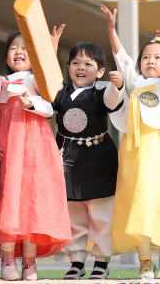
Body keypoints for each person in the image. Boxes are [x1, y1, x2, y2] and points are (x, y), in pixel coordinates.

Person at [0, 27, 71, 281]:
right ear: (6, 56)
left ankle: (29, 263)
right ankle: (9, 257)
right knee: (9, 201)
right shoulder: (1, 84)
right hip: (9, 151)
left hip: (36, 150)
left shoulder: (36, 81)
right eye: (13, 48)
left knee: (33, 203)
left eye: (25, 48)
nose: (19, 52)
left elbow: (49, 108)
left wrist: (50, 52)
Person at [102, 5, 160, 280]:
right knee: (139, 201)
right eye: (146, 57)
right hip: (135, 149)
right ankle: (145, 262)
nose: (151, 61)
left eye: (158, 57)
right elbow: (121, 58)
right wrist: (112, 29)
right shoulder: (133, 83)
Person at [52, 41, 124, 280]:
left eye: (88, 64)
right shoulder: (60, 91)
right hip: (68, 158)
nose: (80, 67)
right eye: (75, 63)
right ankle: (76, 261)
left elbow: (113, 102)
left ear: (100, 71)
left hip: (99, 159)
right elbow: (45, 96)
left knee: (101, 214)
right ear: (68, 67)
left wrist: (118, 86)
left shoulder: (102, 91)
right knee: (73, 214)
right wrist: (51, 51)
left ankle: (101, 262)